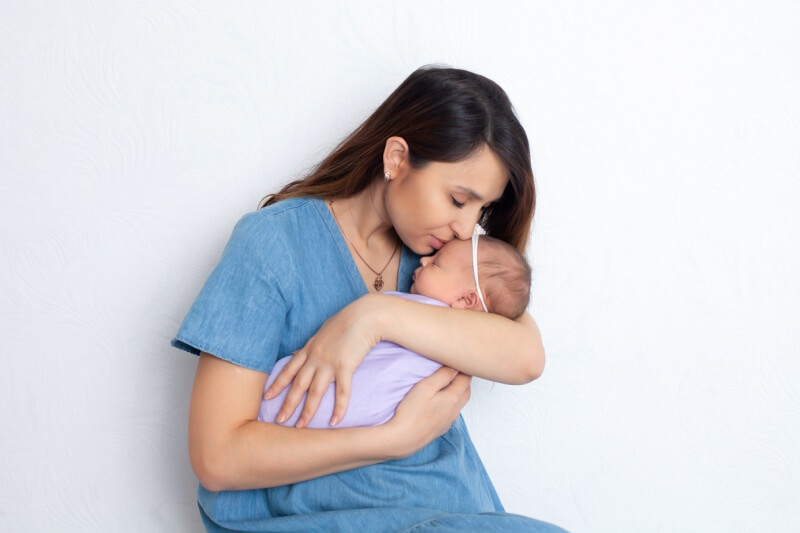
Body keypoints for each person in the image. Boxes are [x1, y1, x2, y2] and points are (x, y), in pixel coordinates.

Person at [172, 65, 566, 532]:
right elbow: (218, 457)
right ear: (397, 158)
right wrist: (390, 439)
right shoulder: (274, 244)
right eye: (459, 200)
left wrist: (377, 315)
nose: (468, 227)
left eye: (482, 209)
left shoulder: (447, 265)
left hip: (449, 509)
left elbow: (527, 358)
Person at [259, 233, 533, 429]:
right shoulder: (468, 342)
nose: (424, 261)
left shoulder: (428, 318)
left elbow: (530, 361)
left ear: (466, 300)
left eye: (436, 264)